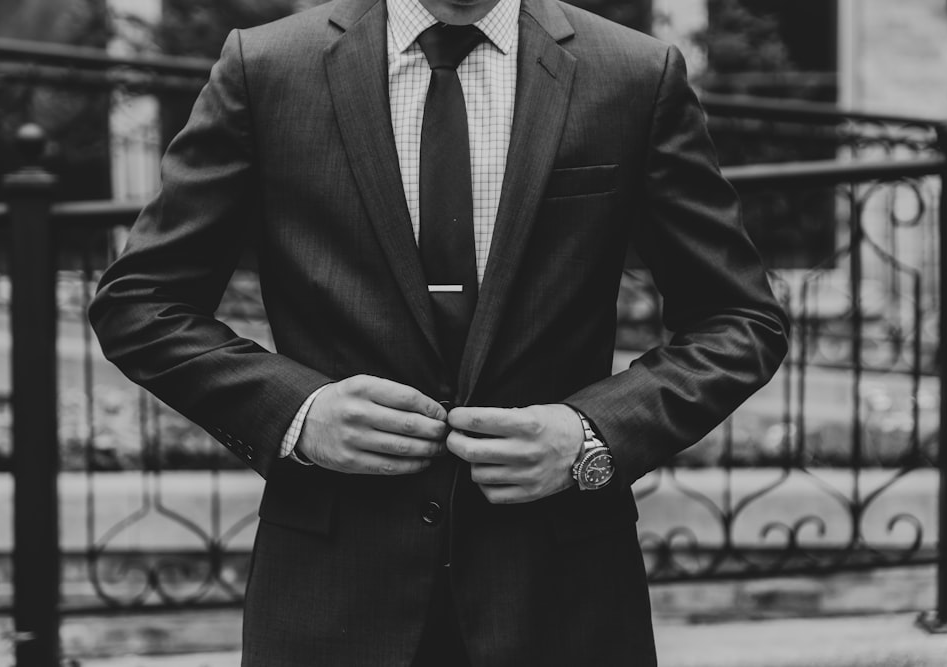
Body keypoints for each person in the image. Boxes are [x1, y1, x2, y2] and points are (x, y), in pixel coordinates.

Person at [89, 0, 789, 662]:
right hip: (331, 603)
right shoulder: (267, 68)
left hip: (563, 601)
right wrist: (300, 414)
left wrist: (590, 436)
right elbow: (140, 302)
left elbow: (738, 318)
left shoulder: (633, 74)